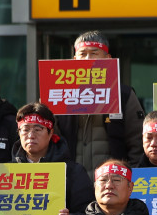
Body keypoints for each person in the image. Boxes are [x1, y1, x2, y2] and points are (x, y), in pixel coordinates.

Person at [54, 31, 146, 170]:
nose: (87, 59)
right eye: (82, 54)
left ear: (108, 58)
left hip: (112, 183)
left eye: (94, 53)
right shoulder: (58, 94)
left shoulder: (123, 94)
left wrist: (130, 177)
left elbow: (137, 141)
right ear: (74, 59)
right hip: (71, 182)